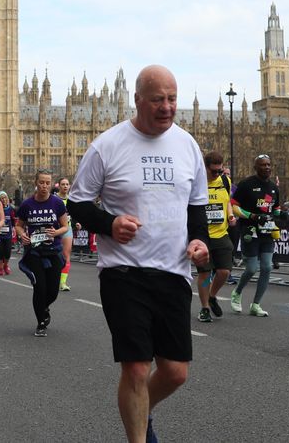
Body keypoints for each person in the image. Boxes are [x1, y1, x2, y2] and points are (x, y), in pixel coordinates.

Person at [67, 65, 210, 443]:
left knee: (176, 371)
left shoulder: (187, 145)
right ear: (137, 100)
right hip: (124, 272)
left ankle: (140, 409)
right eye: (158, 99)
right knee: (135, 368)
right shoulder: (108, 145)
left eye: (173, 99)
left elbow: (197, 208)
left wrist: (199, 241)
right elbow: (77, 203)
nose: (167, 107)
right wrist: (109, 223)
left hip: (173, 271)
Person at [15, 171, 71, 336]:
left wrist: (56, 232)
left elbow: (65, 226)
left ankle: (44, 307)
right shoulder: (27, 204)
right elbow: (19, 225)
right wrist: (22, 235)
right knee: (39, 287)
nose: (44, 186)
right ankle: (40, 322)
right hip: (35, 252)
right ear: (36, 183)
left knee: (52, 290)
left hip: (53, 251)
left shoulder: (57, 203)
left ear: (51, 183)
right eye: (41, 182)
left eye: (47, 183)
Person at [230, 153, 282, 316]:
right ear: (255, 167)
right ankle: (237, 293)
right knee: (252, 268)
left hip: (267, 232)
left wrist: (280, 216)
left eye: (268, 164)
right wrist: (252, 216)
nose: (266, 167)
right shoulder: (246, 185)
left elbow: (276, 208)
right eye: (262, 165)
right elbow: (234, 206)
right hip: (249, 231)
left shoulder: (273, 187)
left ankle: (256, 304)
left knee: (267, 267)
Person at [195, 151, 235, 322]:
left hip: (221, 234)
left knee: (224, 271)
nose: (217, 174)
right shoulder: (196, 183)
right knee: (205, 274)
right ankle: (204, 307)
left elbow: (227, 202)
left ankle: (212, 296)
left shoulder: (225, 181)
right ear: (205, 168)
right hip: (202, 235)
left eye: (220, 171)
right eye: (214, 171)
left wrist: (231, 215)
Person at [56, 176, 75, 291]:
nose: (65, 186)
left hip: (67, 229)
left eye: (67, 184)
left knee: (66, 256)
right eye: (63, 184)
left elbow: (75, 214)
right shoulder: (54, 199)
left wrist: (77, 223)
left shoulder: (72, 200)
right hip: (55, 230)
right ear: (59, 186)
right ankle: (53, 278)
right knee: (55, 256)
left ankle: (63, 283)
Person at [0, 191, 15, 274]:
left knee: (7, 252)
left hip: (8, 234)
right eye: (1, 198)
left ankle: (5, 265)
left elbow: (13, 220)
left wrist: (13, 228)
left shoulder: (11, 209)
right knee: (0, 252)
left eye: (5, 198)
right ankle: (0, 268)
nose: (3, 200)